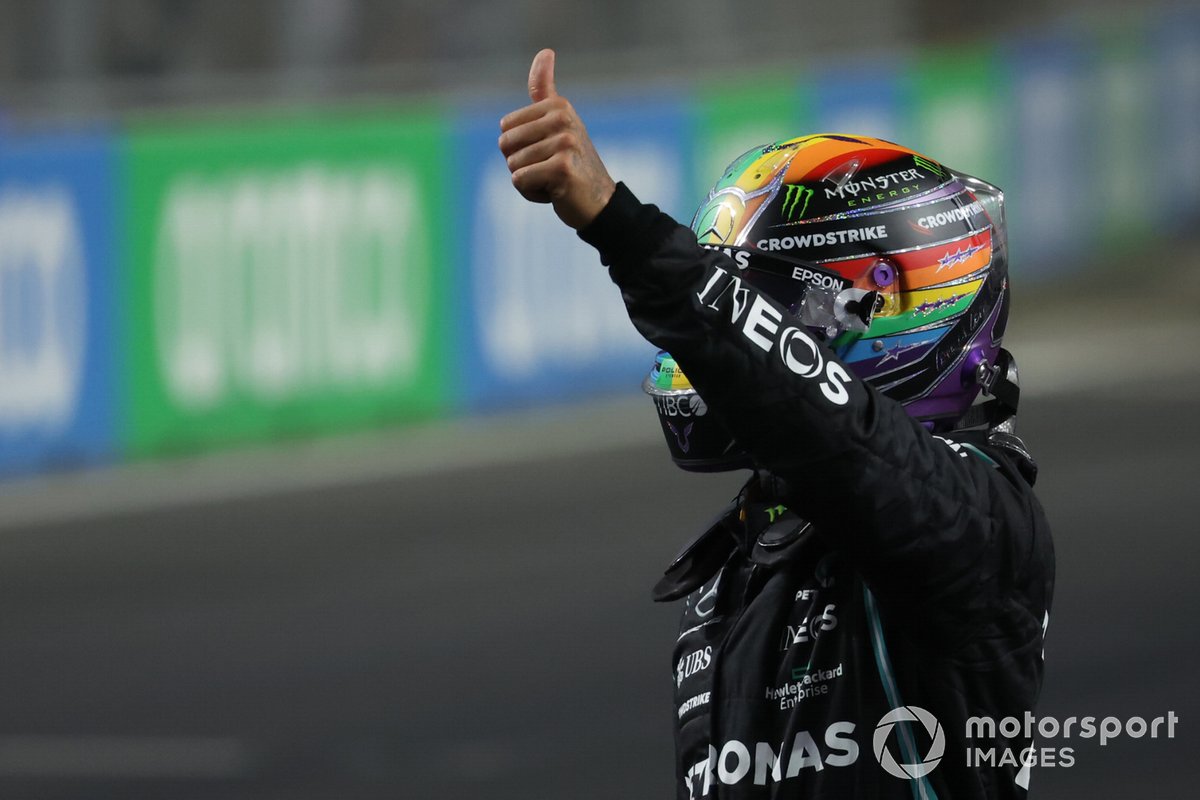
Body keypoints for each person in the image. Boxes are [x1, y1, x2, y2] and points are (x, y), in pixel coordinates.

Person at [499, 49, 1055, 800]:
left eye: (774, 308)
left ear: (889, 305)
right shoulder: (740, 565)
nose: (759, 331)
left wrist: (621, 228)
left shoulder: (980, 520)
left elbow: (838, 435)